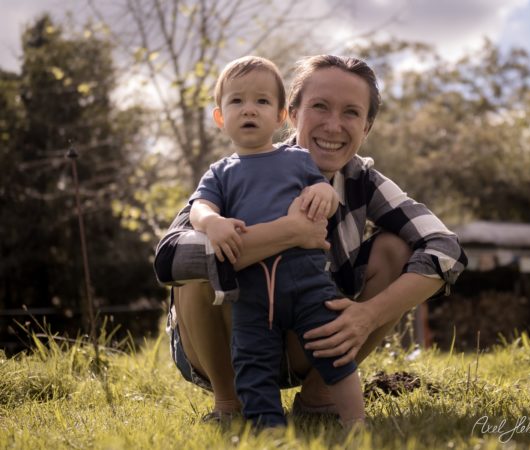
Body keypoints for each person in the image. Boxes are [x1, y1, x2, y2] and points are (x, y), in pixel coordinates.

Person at [154, 54, 467, 423]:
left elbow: (447, 248)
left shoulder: (362, 181)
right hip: (234, 337)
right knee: (199, 261)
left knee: (395, 249)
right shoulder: (237, 169)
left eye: (351, 113)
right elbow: (170, 258)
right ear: (291, 114)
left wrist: (369, 315)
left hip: (316, 338)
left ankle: (319, 399)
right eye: (320, 106)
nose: (333, 126)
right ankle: (229, 405)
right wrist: (289, 232)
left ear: (366, 128)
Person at [187, 55, 365, 428]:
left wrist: (325, 194)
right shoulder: (220, 173)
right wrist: (212, 222)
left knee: (333, 352)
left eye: (262, 101)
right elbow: (198, 208)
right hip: (250, 291)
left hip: (307, 282)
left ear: (281, 116)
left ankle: (355, 423)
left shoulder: (297, 159)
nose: (249, 109)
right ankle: (269, 430)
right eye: (237, 101)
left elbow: (322, 189)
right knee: (252, 362)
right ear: (220, 117)